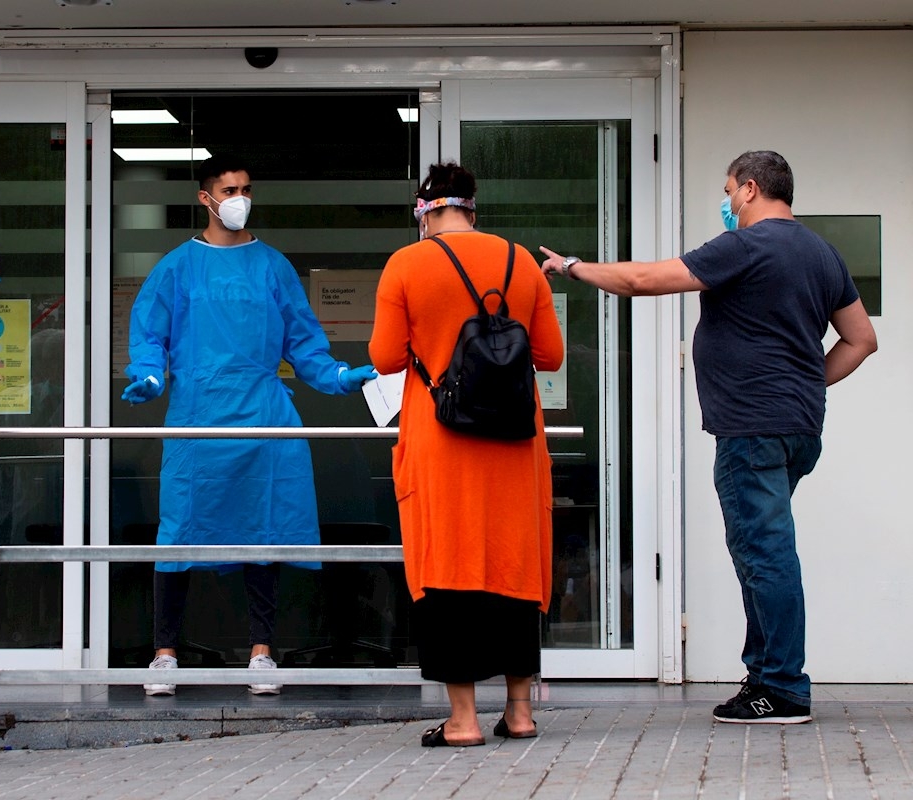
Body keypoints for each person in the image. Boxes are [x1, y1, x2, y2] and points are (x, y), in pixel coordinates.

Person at [540, 150, 878, 724]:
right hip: (797, 428)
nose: (726, 202)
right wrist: (804, 383)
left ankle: (783, 689)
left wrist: (574, 267)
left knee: (764, 554)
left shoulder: (745, 246)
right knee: (761, 551)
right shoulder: (823, 254)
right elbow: (861, 338)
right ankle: (765, 678)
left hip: (752, 429)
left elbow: (643, 281)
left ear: (750, 189)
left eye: (727, 190)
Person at [122, 154, 376, 696]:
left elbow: (304, 343)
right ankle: (164, 653)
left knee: (264, 531)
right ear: (205, 198)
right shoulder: (177, 268)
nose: (240, 199)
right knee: (179, 532)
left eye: (246, 189)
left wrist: (337, 376)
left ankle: (263, 651)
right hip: (198, 420)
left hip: (263, 418)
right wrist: (148, 375)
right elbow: (149, 336)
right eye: (229, 190)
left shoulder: (272, 267)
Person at [369, 162, 564, 747]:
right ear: (472, 208)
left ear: (424, 211)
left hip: (442, 444)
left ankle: (463, 720)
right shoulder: (521, 262)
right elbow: (550, 355)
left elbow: (385, 357)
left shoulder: (406, 264)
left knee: (449, 566)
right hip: (515, 445)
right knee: (514, 563)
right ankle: (521, 712)